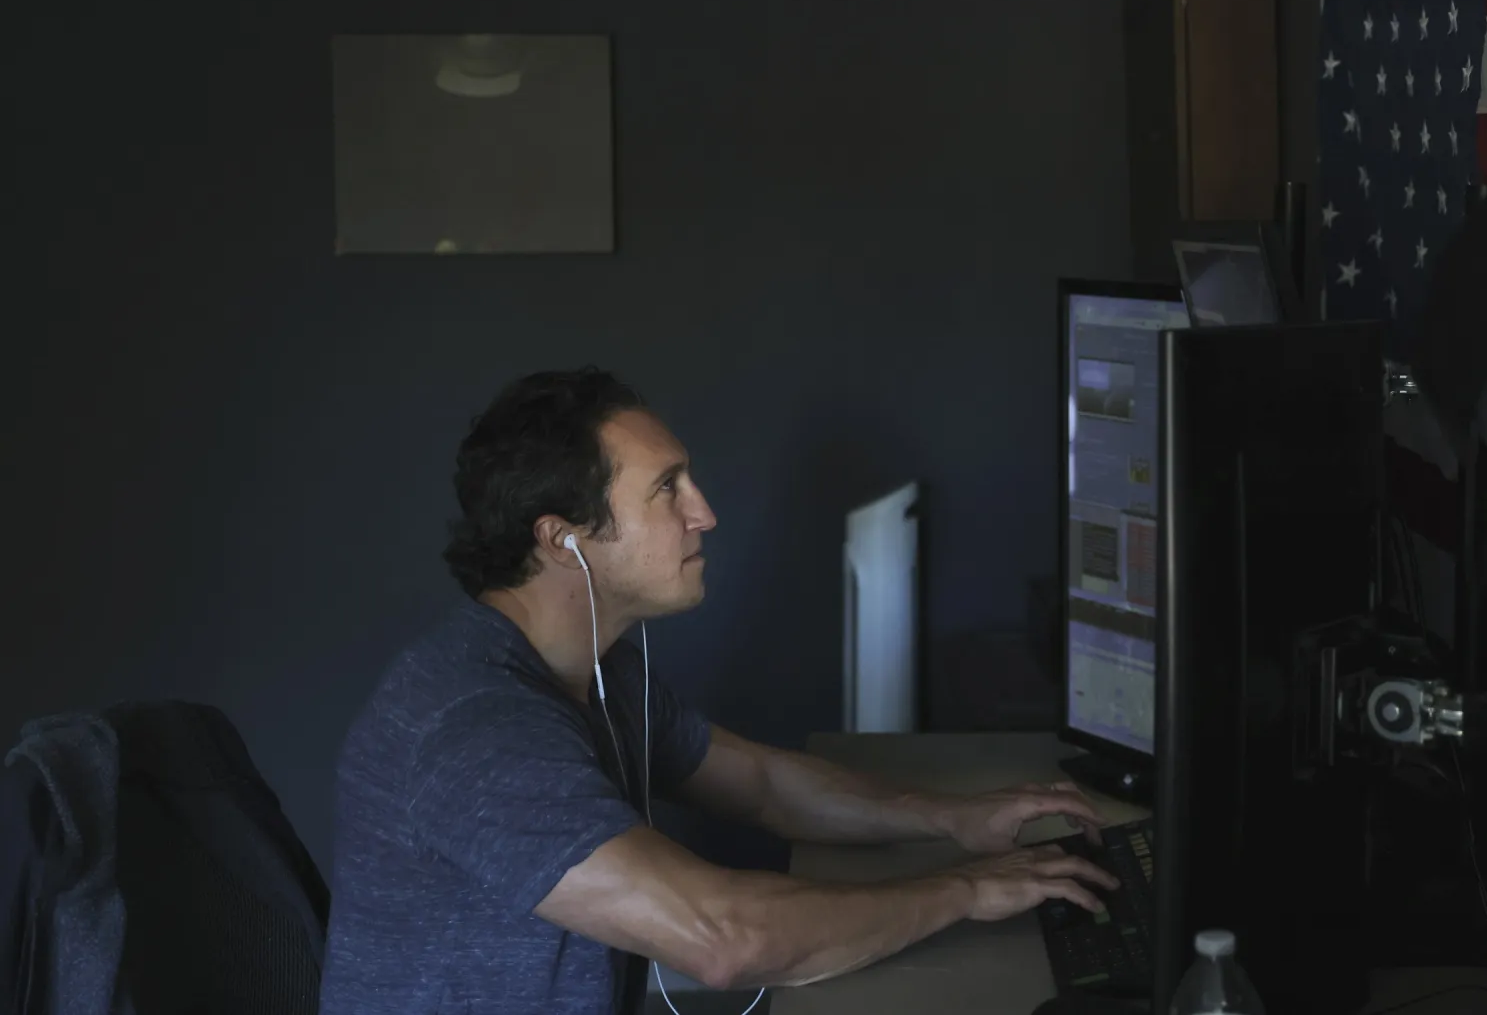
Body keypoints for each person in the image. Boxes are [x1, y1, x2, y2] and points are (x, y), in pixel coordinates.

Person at [317, 368, 1115, 1015]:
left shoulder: (597, 663)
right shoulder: (476, 728)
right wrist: (967, 892)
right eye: (668, 490)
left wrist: (953, 820)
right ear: (564, 540)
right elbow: (721, 939)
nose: (705, 513)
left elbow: (761, 786)